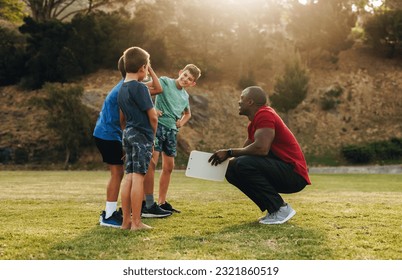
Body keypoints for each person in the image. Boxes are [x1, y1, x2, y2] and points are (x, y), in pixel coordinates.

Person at [208, 86, 311, 225]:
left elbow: (261, 149)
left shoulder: (265, 114)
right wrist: (223, 161)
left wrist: (229, 152)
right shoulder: (253, 125)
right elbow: (243, 154)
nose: (239, 102)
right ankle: (273, 209)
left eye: (241, 98)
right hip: (281, 172)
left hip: (294, 175)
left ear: (250, 102)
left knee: (241, 164)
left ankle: (281, 209)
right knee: (232, 169)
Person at [143, 64, 201, 214]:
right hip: (157, 127)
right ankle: (148, 203)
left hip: (171, 132)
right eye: (185, 75)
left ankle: (162, 202)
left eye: (190, 79)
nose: (186, 79)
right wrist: (151, 108)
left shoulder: (185, 96)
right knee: (151, 164)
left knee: (169, 167)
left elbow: (188, 114)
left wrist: (181, 122)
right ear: (180, 72)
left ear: (193, 84)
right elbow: (141, 90)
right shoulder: (164, 82)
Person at [117, 46, 162, 230]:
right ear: (143, 67)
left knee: (128, 177)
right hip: (142, 136)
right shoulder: (140, 88)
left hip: (128, 134)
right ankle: (137, 222)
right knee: (138, 178)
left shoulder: (122, 89)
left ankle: (125, 221)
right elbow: (152, 116)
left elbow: (122, 118)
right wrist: (152, 139)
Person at [94, 56, 126, 228]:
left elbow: (154, 88)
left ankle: (110, 211)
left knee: (119, 173)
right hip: (108, 135)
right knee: (117, 173)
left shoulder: (125, 84)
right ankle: (108, 215)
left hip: (107, 133)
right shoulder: (123, 89)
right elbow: (123, 120)